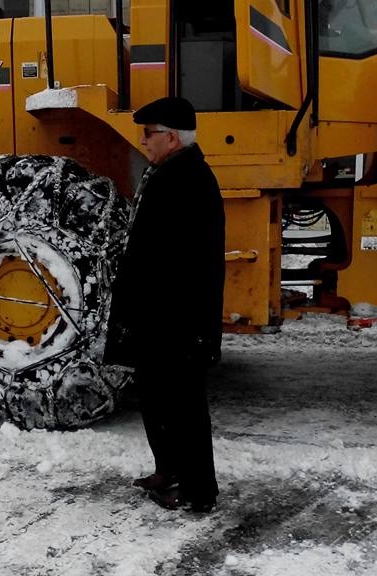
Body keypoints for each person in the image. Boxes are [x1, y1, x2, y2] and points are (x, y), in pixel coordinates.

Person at [104, 96, 225, 513]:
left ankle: (198, 491)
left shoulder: (190, 180)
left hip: (176, 318)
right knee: (156, 397)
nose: (143, 141)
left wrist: (172, 319)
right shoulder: (167, 173)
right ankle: (167, 469)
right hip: (156, 315)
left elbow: (188, 263)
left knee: (185, 405)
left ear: (172, 137)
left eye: (149, 133)